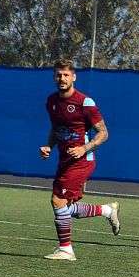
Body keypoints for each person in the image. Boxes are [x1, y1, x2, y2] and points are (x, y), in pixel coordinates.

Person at [39, 58, 120, 261]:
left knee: (58, 200)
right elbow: (56, 129)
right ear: (54, 77)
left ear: (73, 77)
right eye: (59, 75)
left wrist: (84, 148)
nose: (62, 78)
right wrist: (49, 146)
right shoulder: (52, 101)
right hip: (65, 160)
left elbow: (104, 133)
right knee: (66, 206)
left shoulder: (85, 102)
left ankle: (66, 250)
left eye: (66, 75)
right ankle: (107, 210)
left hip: (82, 161)